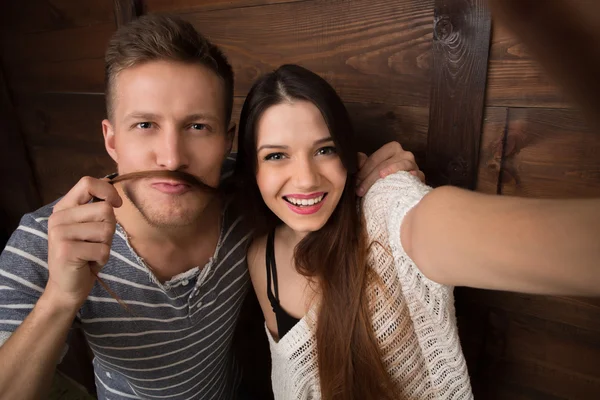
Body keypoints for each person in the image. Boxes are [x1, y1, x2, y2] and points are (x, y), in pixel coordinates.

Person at [0, 15, 423, 400]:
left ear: (227, 139)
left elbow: (305, 172)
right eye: (145, 125)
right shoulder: (46, 240)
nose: (171, 157)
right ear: (112, 139)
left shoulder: (247, 190)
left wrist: (381, 177)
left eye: (197, 126)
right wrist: (59, 298)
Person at [233, 64, 600, 400]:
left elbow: (430, 223)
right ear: (252, 168)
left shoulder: (384, 207)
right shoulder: (260, 256)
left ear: (347, 152)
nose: (307, 179)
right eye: (276, 156)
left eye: (325, 149)